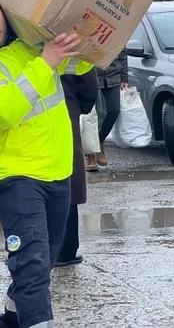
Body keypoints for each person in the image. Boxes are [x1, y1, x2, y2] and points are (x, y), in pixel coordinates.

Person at [0, 0, 92, 328]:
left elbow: (84, 59)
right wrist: (45, 61)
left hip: (57, 172)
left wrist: (78, 29)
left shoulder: (30, 44)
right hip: (15, 177)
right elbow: (5, 111)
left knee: (40, 265)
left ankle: (10, 321)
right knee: (31, 264)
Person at [57, 68, 99, 266]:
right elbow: (88, 87)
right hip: (64, 108)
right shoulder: (72, 38)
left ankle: (24, 248)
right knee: (67, 175)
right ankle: (66, 249)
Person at [87, 51, 128, 170]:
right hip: (91, 74)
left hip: (113, 75)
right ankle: (89, 155)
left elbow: (122, 53)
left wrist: (124, 77)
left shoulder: (118, 32)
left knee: (114, 110)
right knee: (89, 115)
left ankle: (99, 141)